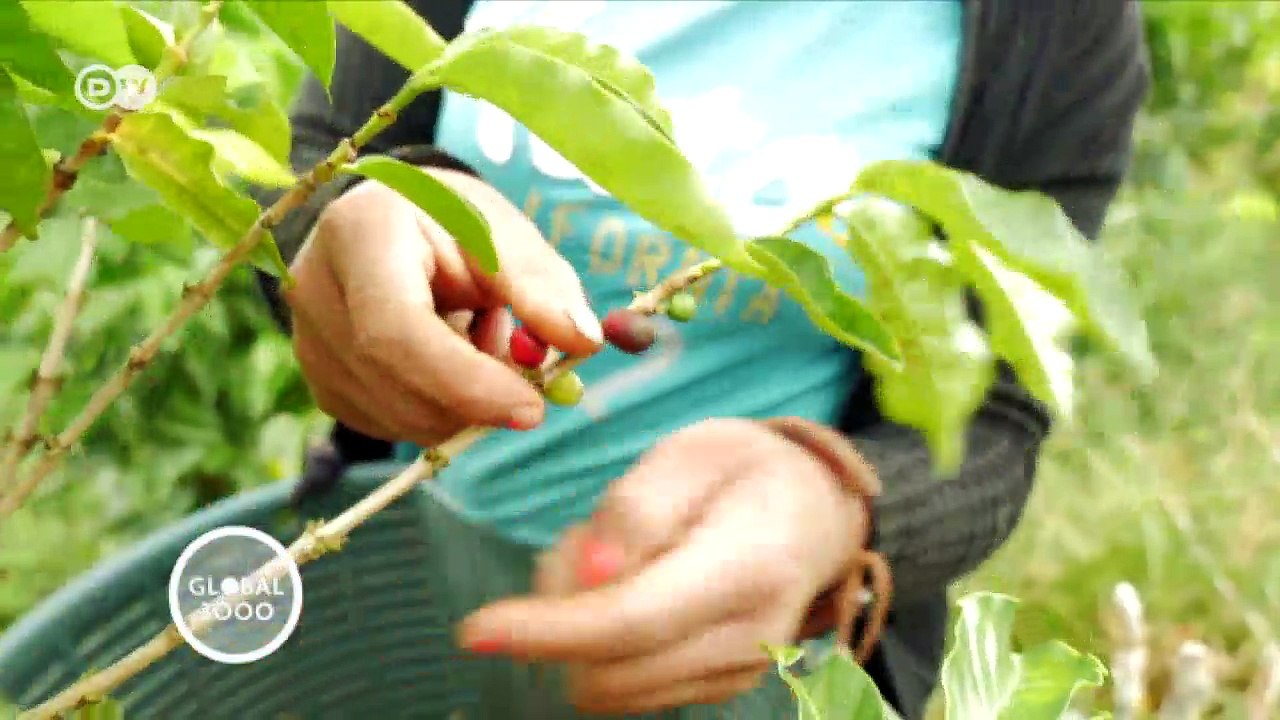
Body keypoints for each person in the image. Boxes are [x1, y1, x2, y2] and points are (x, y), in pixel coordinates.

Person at [254, 1, 1150, 717]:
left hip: (765, 671)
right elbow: (323, 156)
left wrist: (841, 502)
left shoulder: (1052, 28)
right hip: (406, 589)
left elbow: (993, 419)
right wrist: (347, 229)